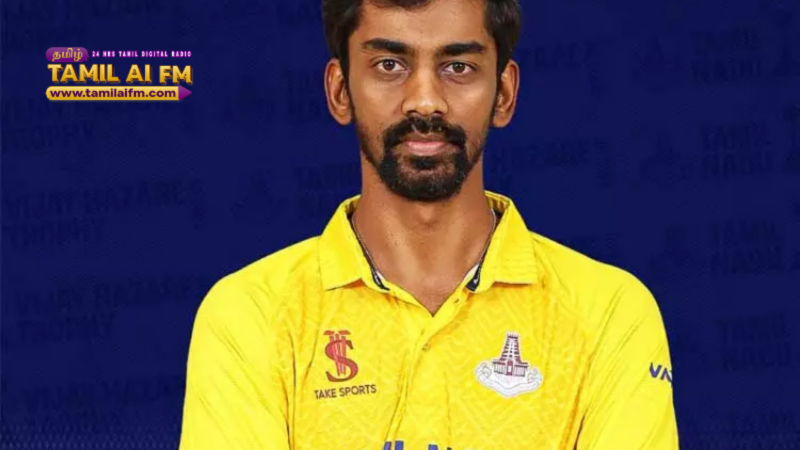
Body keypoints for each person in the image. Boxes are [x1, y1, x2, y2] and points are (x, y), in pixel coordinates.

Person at [178, 0, 679, 448]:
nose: (424, 100)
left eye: (458, 66)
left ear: (504, 94)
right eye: (389, 65)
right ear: (340, 90)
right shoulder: (252, 315)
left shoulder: (607, 313)